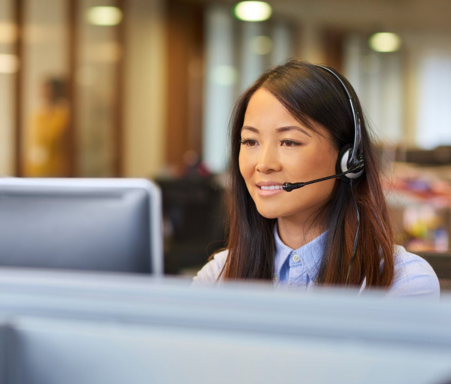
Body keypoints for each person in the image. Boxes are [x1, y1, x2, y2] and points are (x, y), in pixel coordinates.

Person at [193, 60, 440, 299]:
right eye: (250, 141)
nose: (264, 164)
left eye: (289, 142)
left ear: (348, 159)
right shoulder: (217, 277)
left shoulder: (401, 282)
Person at [23, 77, 69, 177]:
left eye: (49, 89)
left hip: (58, 169)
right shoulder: (36, 116)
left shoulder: (64, 115)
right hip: (35, 168)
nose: (45, 92)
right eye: (44, 89)